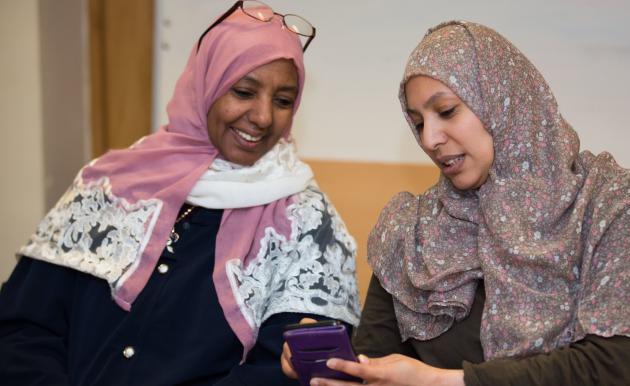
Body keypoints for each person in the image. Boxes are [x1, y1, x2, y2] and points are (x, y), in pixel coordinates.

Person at [282, 21, 630, 386]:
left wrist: (446, 382)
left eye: (446, 111)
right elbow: (377, 356)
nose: (430, 139)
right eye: (419, 122)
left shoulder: (614, 206)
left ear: (503, 100)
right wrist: (342, 368)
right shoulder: (411, 230)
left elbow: (616, 367)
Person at [0, 2, 360, 385]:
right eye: (243, 91)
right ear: (204, 85)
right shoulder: (111, 186)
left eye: (283, 100)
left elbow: (286, 374)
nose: (263, 117)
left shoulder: (304, 222)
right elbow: (24, 329)